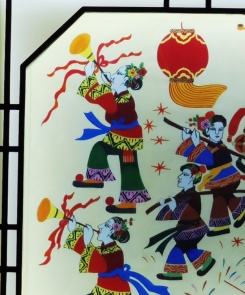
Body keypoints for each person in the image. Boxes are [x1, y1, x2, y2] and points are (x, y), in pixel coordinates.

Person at [73, 61, 151, 214]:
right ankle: (96, 178)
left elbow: (106, 102)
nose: (112, 75)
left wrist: (91, 77)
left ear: (125, 80)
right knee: (100, 148)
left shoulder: (124, 99)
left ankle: (129, 203)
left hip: (128, 139)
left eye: (118, 74)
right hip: (118, 136)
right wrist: (105, 82)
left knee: (129, 167)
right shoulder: (118, 96)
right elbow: (105, 99)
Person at [177, 112, 245, 237]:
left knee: (220, 197)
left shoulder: (220, 146)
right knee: (220, 198)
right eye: (213, 129)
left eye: (220, 130)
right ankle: (234, 217)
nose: (217, 132)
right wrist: (190, 141)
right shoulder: (210, 146)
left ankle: (226, 222)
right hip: (219, 178)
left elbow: (208, 160)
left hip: (228, 177)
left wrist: (196, 143)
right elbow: (203, 158)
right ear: (206, 131)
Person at [146, 163, 216, 280]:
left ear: (193, 178)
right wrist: (165, 206)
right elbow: (175, 208)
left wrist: (172, 206)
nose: (180, 177)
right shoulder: (182, 194)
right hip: (186, 230)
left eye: (184, 175)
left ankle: (175, 273)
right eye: (181, 174)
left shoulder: (194, 195)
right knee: (190, 250)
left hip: (194, 229)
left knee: (177, 249)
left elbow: (184, 211)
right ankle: (207, 261)